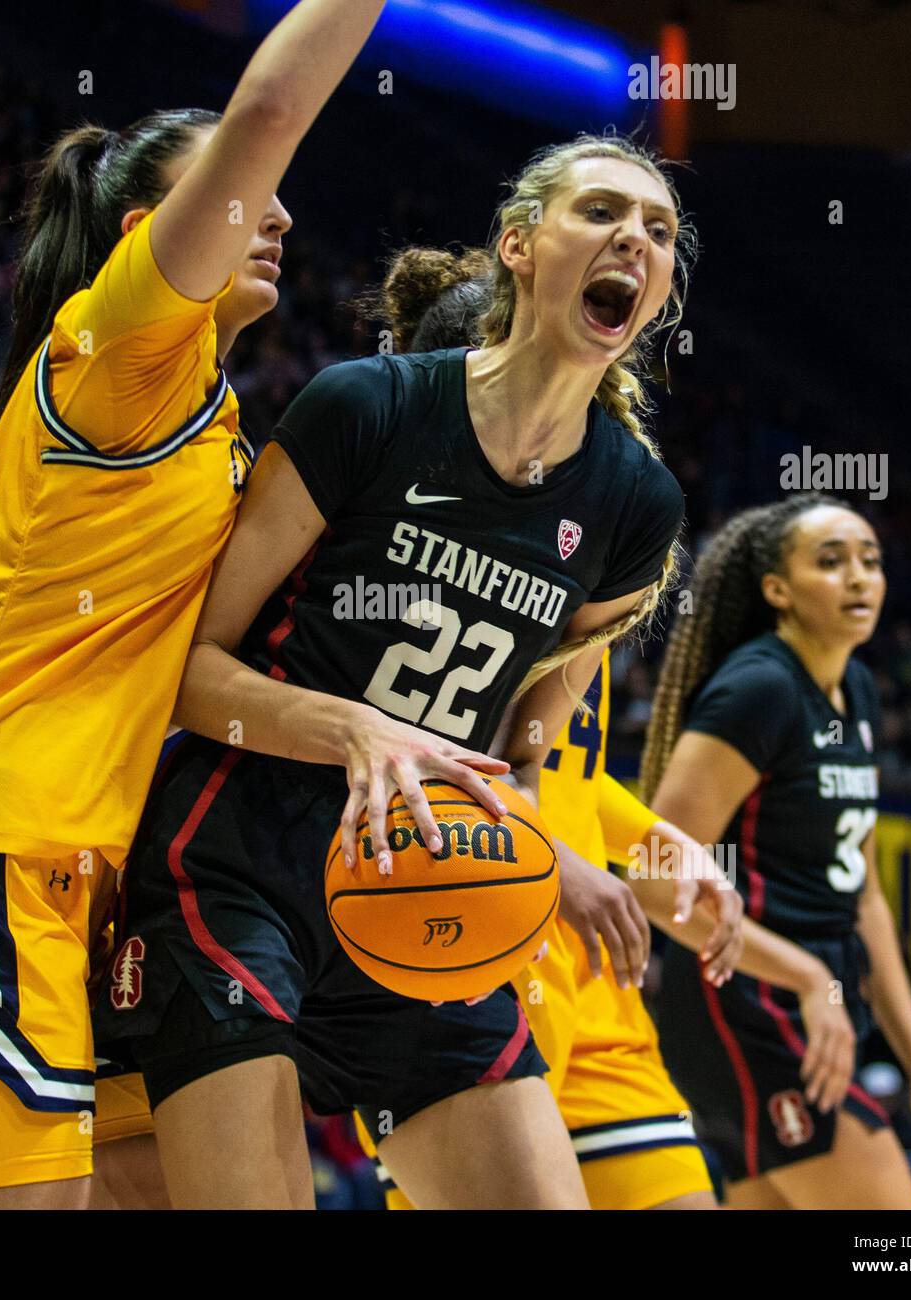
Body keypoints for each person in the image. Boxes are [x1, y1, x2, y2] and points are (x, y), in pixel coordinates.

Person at [0, 0, 389, 1210]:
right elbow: (274, 107)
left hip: (78, 878)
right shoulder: (117, 351)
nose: (281, 210)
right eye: (249, 187)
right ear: (150, 233)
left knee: (197, 1174)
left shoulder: (220, 434)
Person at [95, 131, 695, 1209]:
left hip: (430, 873)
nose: (635, 240)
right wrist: (356, 730)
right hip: (244, 859)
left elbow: (522, 753)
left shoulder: (634, 508)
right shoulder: (369, 405)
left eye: (657, 230)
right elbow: (185, 669)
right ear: (519, 245)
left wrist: (549, 860)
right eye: (600, 211)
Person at [354, 267, 860, 1212]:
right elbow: (438, 774)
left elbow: (576, 786)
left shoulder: (588, 586)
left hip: (599, 1007)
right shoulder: (415, 577)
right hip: (464, 972)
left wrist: (654, 851)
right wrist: (564, 865)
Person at [641, 493, 911, 1208]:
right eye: (831, 562)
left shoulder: (855, 689)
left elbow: (867, 897)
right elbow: (655, 882)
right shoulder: (761, 688)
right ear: (777, 591)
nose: (859, 577)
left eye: (871, 561)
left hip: (809, 1008)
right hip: (750, 1007)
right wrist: (803, 977)